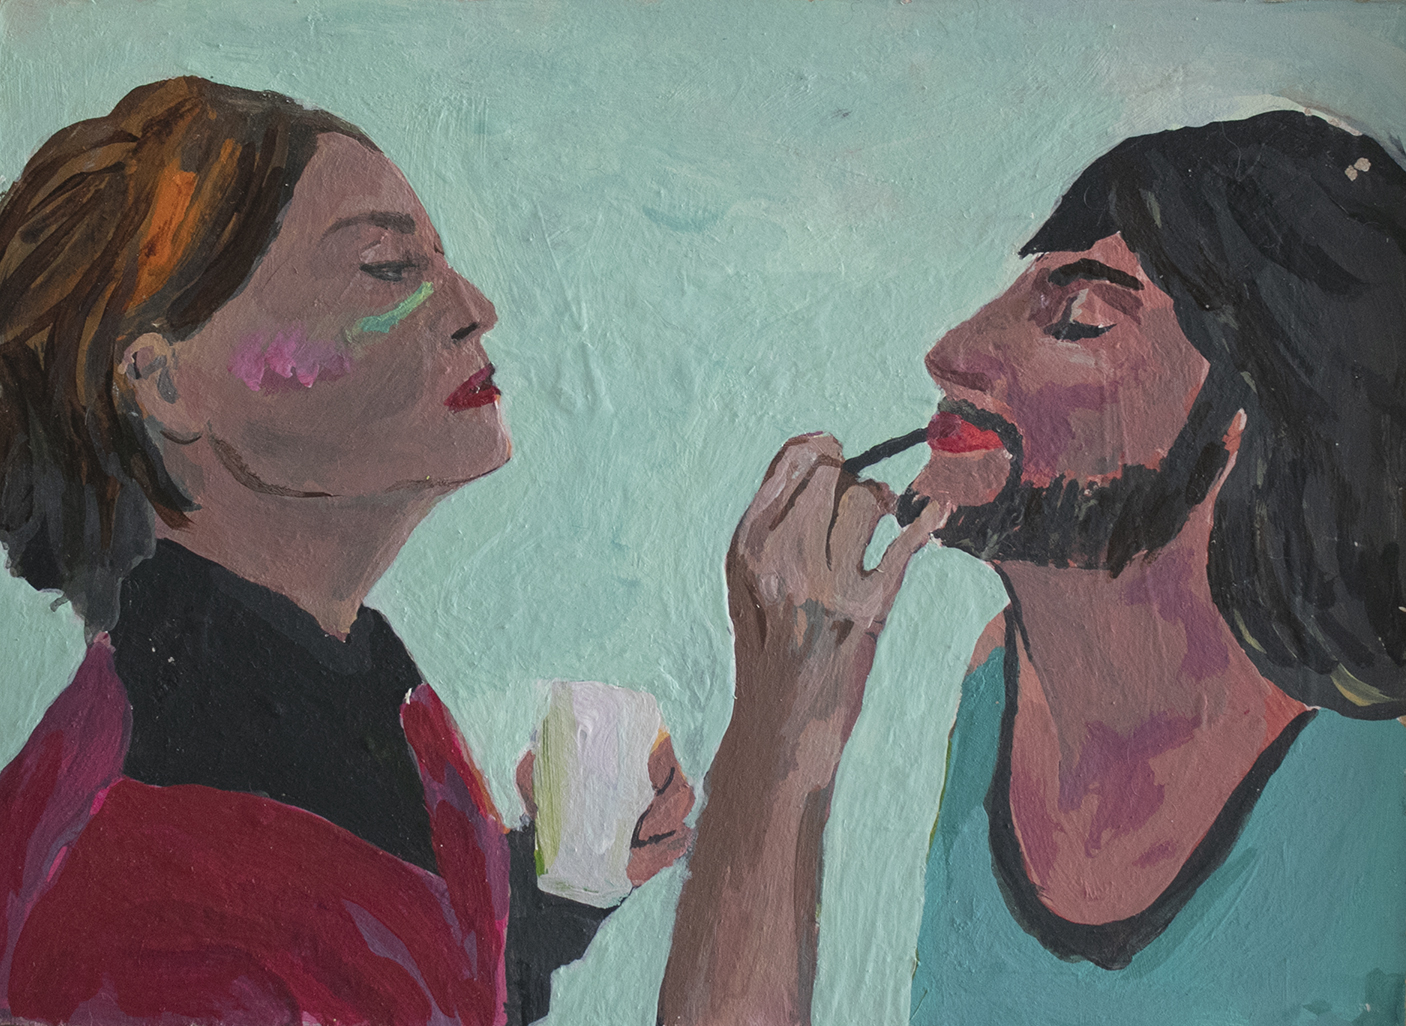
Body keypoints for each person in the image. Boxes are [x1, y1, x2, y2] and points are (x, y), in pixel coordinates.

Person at [658, 110, 1405, 1024]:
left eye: (1080, 318)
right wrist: (784, 728)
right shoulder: (968, 698)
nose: (953, 352)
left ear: (1237, 430)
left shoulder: (1377, 807)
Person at [0, 77, 697, 1026]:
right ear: (164, 381)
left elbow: (406, 971)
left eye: (439, 262)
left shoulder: (364, 696)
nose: (475, 307)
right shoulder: (130, 887)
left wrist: (557, 893)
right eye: (386, 268)